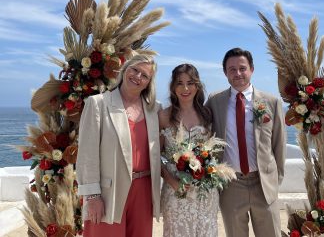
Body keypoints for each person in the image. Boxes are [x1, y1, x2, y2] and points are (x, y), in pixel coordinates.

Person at [76, 54, 161, 237]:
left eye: (145, 75)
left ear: (149, 82)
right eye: (135, 70)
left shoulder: (155, 110)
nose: (138, 77)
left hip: (144, 192)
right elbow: (87, 155)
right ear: (124, 70)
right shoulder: (98, 104)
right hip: (109, 193)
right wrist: (92, 196)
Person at [206, 47, 286, 237]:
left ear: (251, 69)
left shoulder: (271, 102)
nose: (238, 73)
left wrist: (274, 181)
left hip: (263, 184)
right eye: (232, 69)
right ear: (225, 72)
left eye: (242, 68)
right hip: (231, 184)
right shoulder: (214, 101)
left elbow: (279, 144)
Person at [158, 63, 218, 237]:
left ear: (197, 85)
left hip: (205, 193)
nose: (185, 88)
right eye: (179, 83)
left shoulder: (207, 114)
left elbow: (213, 152)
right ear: (173, 87)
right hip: (176, 191)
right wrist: (171, 181)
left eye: (190, 82)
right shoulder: (163, 116)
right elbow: (156, 156)